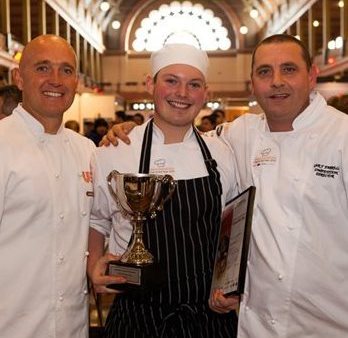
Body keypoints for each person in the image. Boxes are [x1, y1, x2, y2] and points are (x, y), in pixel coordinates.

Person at [103, 34, 348, 337]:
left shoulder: (342, 137)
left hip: (330, 319)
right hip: (254, 321)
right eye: (264, 72)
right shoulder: (239, 134)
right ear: (252, 82)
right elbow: (180, 136)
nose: (276, 82)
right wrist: (133, 132)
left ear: (311, 76)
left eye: (289, 69)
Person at [88, 43, 240, 337]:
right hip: (136, 315)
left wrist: (232, 284)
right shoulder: (115, 150)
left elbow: (230, 227)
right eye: (171, 80)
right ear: (150, 84)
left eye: (193, 84)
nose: (182, 93)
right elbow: (97, 219)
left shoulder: (221, 152)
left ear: (205, 93)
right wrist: (93, 264)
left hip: (207, 315)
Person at [0, 34, 96, 338]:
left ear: (76, 82)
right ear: (19, 78)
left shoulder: (88, 151)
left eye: (66, 70)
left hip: (73, 326)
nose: (56, 80)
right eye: (43, 68)